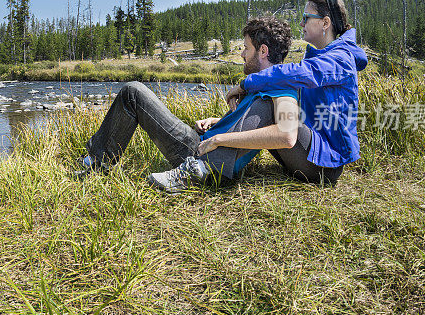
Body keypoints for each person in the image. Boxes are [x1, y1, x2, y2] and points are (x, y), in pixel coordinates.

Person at [77, 16, 302, 193]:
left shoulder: (282, 90)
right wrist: (218, 122)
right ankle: (99, 160)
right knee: (133, 93)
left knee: (133, 92)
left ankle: (99, 162)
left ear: (263, 51)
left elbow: (287, 135)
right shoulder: (262, 85)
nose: (242, 54)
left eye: (246, 48)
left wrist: (218, 138)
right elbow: (246, 123)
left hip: (203, 155)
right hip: (205, 146)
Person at [219, 0, 368, 186]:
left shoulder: (340, 59)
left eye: (306, 18)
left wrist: (245, 84)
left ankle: (212, 163)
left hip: (324, 165)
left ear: (325, 23)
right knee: (275, 102)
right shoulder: (321, 57)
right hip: (311, 153)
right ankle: (213, 148)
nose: (301, 23)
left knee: (271, 100)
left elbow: (297, 74)